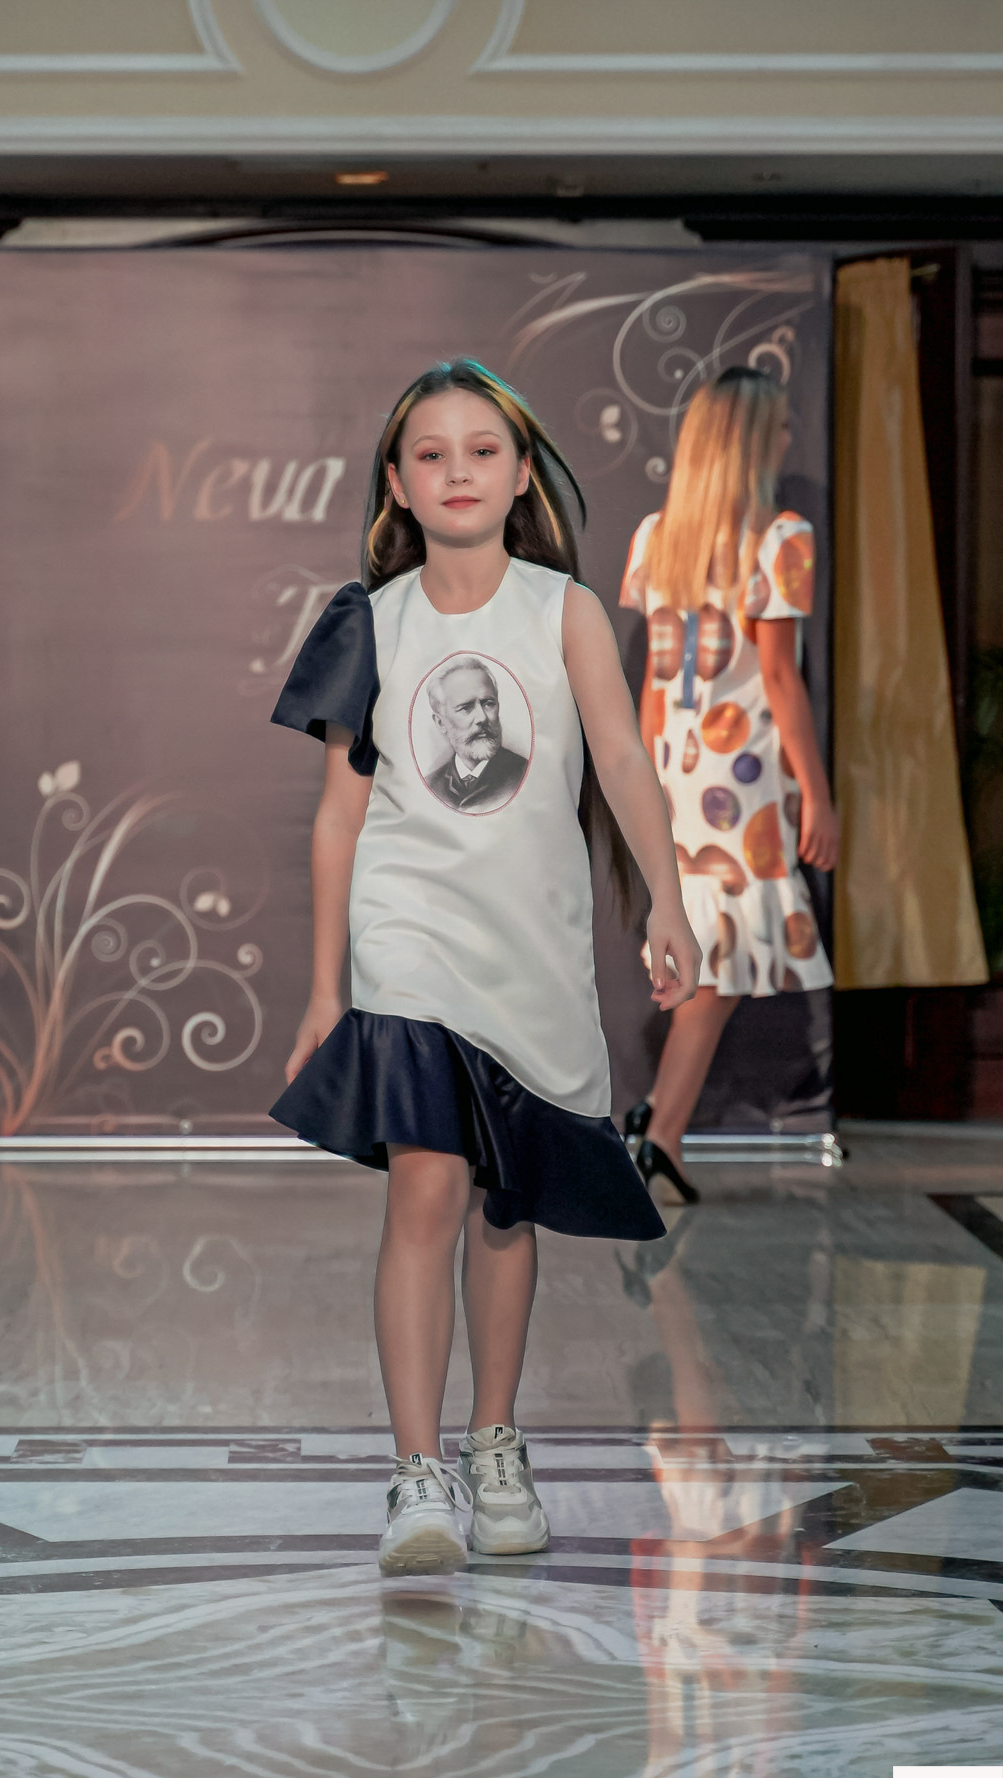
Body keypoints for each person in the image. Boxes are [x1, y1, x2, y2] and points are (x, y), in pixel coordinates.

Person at [269, 358, 699, 1576]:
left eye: (480, 451)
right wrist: (325, 988)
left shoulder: (563, 611)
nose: (455, 471)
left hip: (531, 949)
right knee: (426, 1185)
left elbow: (620, 762)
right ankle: (417, 1476)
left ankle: (494, 1443)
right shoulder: (368, 623)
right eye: (430, 454)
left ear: (518, 478)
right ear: (396, 485)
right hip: (407, 939)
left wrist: (665, 900)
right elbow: (339, 817)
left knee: (506, 1210)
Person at [619, 366, 839, 1205]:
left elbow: (653, 685)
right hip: (742, 782)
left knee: (711, 960)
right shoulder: (781, 537)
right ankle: (661, 1135)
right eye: (776, 429)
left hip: (679, 774)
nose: (786, 441)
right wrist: (816, 793)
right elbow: (780, 678)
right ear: (750, 444)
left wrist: (644, 787)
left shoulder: (657, 536)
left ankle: (658, 1126)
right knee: (717, 967)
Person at [422, 655, 529, 812]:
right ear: (441, 723)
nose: (482, 718)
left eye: (488, 704)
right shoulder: (430, 785)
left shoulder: (525, 773)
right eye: (466, 707)